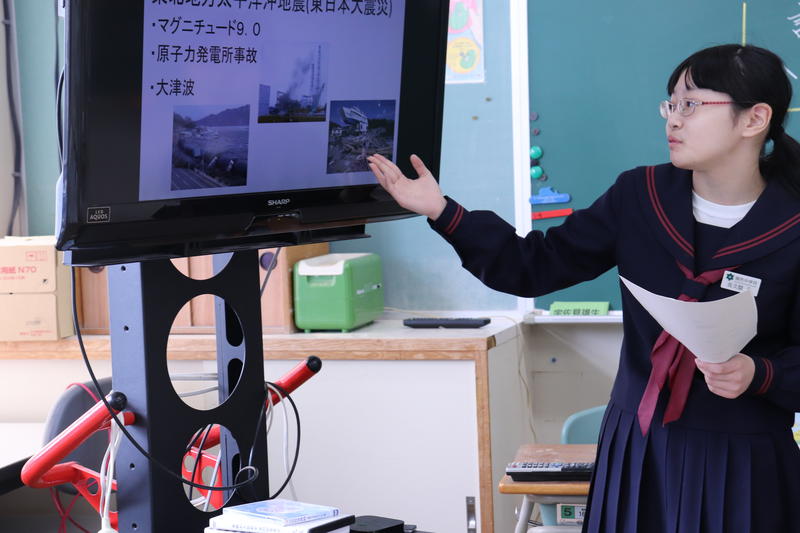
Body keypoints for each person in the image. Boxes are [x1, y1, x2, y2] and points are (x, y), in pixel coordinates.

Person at [367, 44, 800, 532]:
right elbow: (533, 267)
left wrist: (759, 373)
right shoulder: (640, 196)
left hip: (744, 460)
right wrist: (442, 210)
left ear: (754, 118)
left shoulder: (792, 222)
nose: (674, 119)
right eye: (671, 104)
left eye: (692, 104)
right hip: (640, 450)